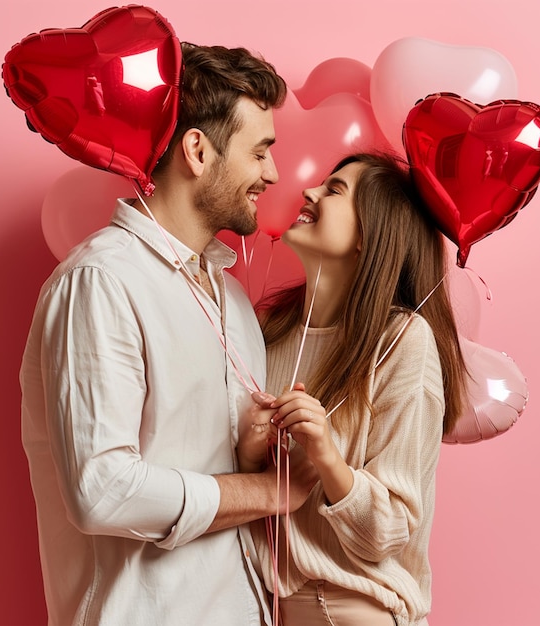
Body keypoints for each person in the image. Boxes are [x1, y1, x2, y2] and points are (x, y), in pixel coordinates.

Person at [20, 43, 317, 626]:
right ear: (198, 150)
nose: (274, 174)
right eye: (260, 152)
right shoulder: (100, 281)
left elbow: (202, 454)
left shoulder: (230, 296)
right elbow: (101, 490)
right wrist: (269, 492)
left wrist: (255, 447)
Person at [239, 152, 468, 626]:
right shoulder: (263, 330)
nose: (309, 192)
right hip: (267, 611)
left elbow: (387, 535)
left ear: (368, 234)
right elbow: (253, 504)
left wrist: (325, 455)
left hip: (357, 612)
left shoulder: (403, 340)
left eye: (334, 189)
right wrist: (248, 453)